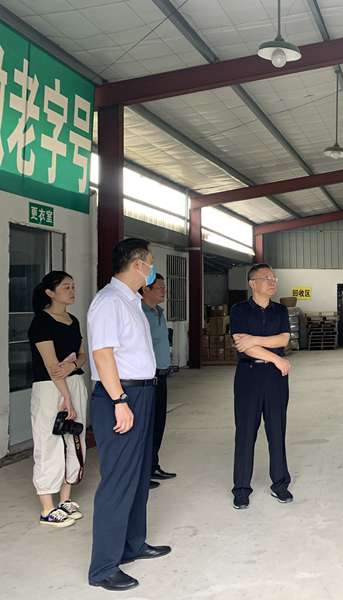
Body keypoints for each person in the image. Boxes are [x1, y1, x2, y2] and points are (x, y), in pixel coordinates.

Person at [87, 238, 171, 592]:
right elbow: (102, 354)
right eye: (150, 263)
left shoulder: (132, 301)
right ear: (137, 264)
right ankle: (104, 567)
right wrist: (119, 400)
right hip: (120, 395)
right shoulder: (109, 301)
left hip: (142, 392)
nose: (151, 270)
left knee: (138, 476)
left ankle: (133, 544)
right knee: (119, 479)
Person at [28, 271, 89, 528]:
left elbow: (83, 355)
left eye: (73, 286)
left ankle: (65, 499)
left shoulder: (73, 320)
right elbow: (52, 366)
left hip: (74, 383)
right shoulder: (41, 322)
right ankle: (47, 508)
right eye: (66, 287)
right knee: (49, 442)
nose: (72, 291)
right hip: (50, 388)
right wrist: (67, 398)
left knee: (74, 439)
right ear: (50, 293)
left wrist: (73, 365)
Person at [229, 263, 292, 509]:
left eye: (273, 277)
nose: (272, 281)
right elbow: (242, 345)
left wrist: (254, 339)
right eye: (266, 278)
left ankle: (280, 484)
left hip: (276, 379)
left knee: (277, 430)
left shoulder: (280, 311)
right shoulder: (239, 310)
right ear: (252, 283)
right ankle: (241, 488)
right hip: (249, 375)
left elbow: (283, 339)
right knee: (245, 432)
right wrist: (277, 359)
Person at [141, 273, 177, 488]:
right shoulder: (139, 313)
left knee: (158, 423)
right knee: (146, 425)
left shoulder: (159, 312)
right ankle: (142, 472)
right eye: (160, 288)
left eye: (164, 288)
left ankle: (153, 465)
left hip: (161, 374)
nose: (164, 291)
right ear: (145, 289)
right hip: (147, 376)